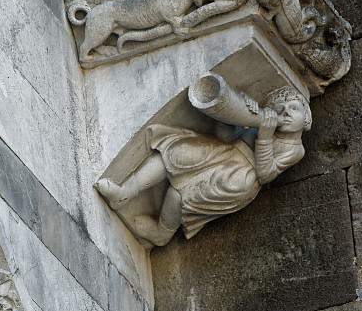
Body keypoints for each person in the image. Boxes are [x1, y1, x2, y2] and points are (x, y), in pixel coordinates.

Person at [95, 86, 310, 247]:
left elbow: (265, 174)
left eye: (294, 108)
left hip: (238, 178)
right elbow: (225, 136)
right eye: (279, 109)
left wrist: (265, 136)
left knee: (180, 195)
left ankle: (162, 233)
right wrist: (230, 114)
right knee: (176, 153)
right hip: (225, 152)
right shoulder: (262, 127)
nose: (285, 112)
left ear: (307, 117)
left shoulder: (295, 149)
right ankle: (125, 192)